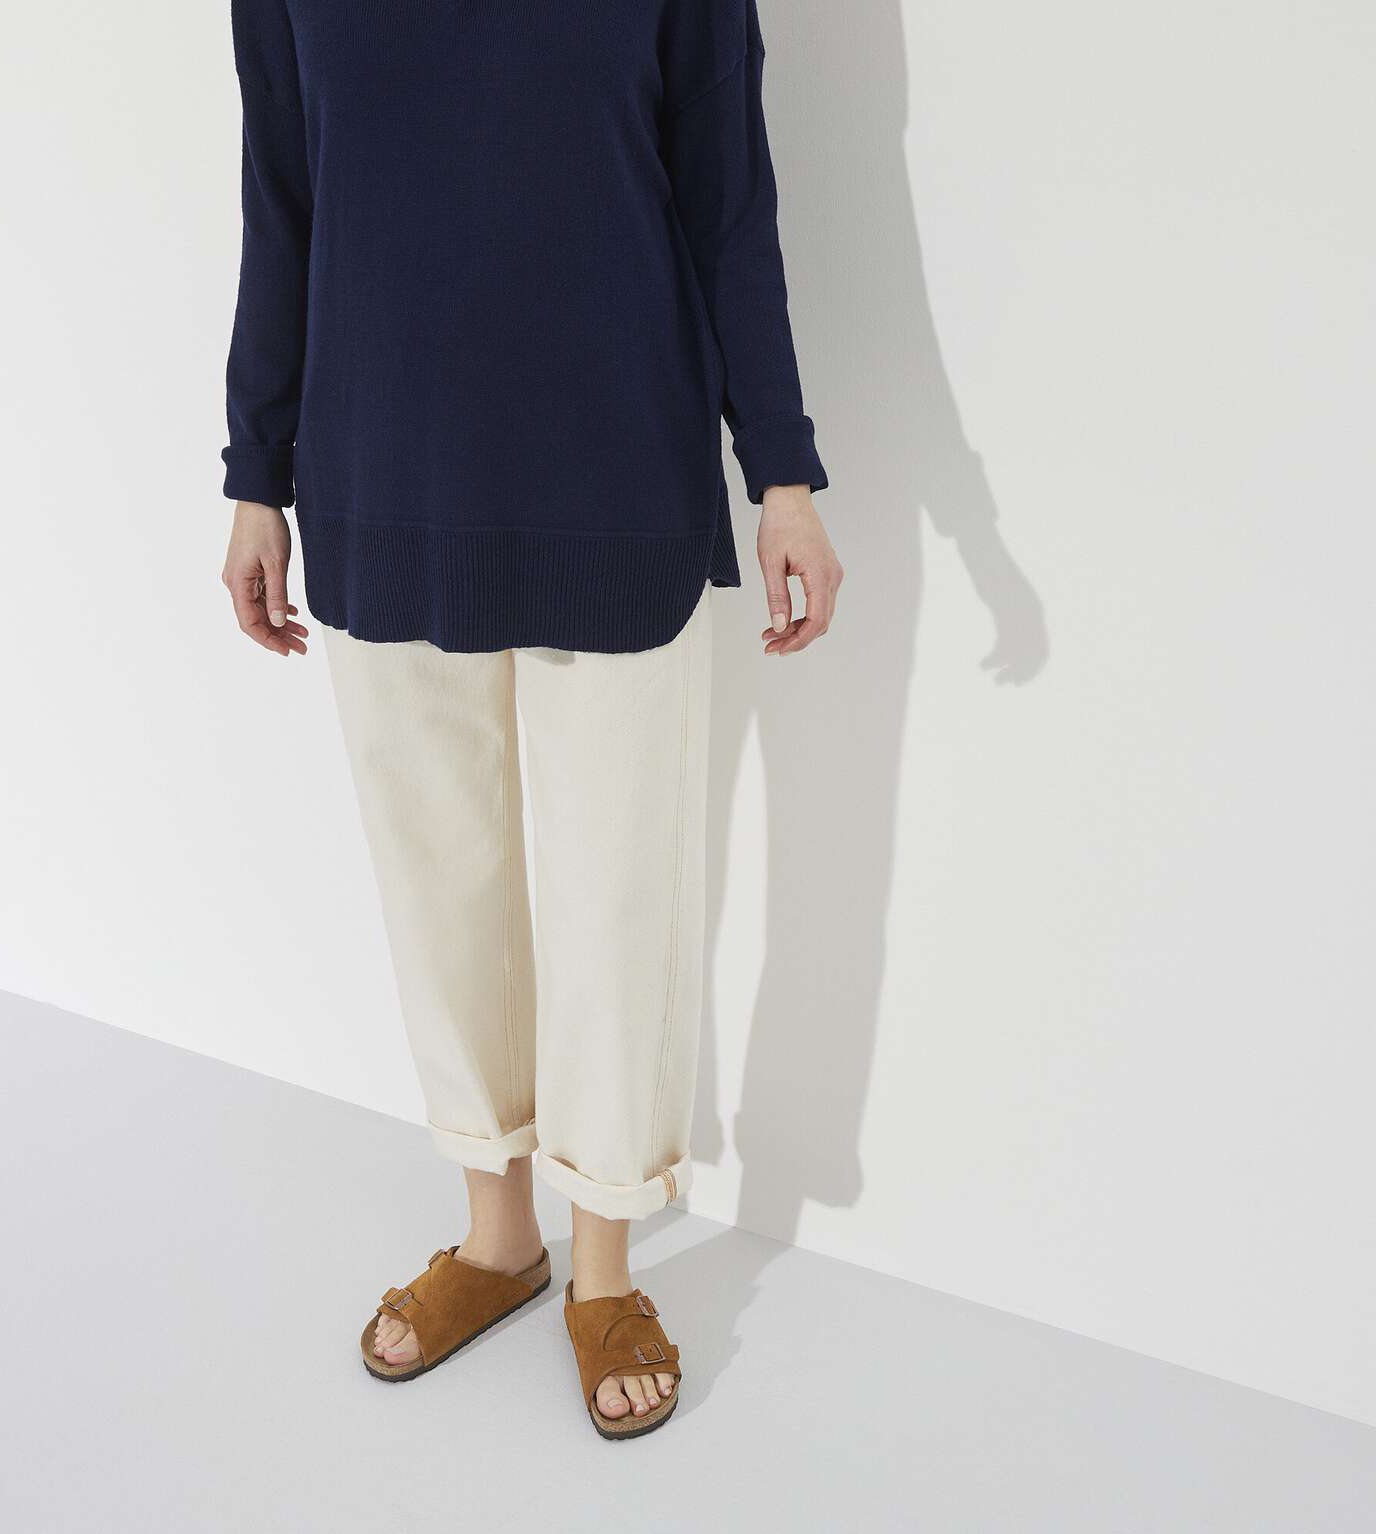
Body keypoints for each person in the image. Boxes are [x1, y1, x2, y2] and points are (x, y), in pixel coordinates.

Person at [218, 0, 842, 1440]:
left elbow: (727, 197)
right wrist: (257, 471)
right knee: (441, 878)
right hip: (381, 464)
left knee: (614, 887)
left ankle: (605, 1263)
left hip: (615, 469)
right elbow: (282, 192)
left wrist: (783, 473)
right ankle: (498, 1238)